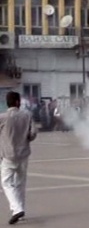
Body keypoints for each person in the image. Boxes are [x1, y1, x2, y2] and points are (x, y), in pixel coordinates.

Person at [0, 91, 37, 225]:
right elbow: (33, 133)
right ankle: (20, 211)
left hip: (8, 155)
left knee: (6, 183)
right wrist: (25, 139)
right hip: (23, 154)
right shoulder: (27, 115)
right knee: (20, 184)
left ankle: (17, 209)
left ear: (7, 102)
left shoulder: (2, 117)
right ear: (17, 102)